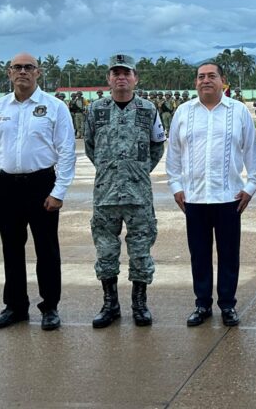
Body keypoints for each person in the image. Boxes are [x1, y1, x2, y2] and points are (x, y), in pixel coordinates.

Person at [0, 53, 76, 331]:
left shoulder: (54, 107)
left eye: (28, 67)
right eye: (17, 67)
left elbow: (67, 151)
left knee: (46, 249)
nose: (23, 72)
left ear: (38, 73)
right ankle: (16, 306)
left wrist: (59, 191)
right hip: (7, 185)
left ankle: (50, 307)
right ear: (9, 73)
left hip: (41, 184)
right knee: (11, 249)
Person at [167, 62, 256, 328]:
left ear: (223, 81)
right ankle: (202, 304)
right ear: (195, 82)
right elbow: (173, 154)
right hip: (194, 199)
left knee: (229, 255)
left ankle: (228, 305)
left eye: (212, 76)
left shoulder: (239, 111)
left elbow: (251, 153)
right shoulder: (183, 112)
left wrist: (251, 186)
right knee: (199, 254)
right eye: (201, 77)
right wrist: (176, 187)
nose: (206, 80)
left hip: (229, 198)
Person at [84, 55, 166, 328]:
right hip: (105, 194)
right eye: (115, 73)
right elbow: (90, 146)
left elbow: (157, 147)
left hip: (139, 194)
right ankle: (110, 304)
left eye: (126, 73)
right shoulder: (95, 110)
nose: (121, 77)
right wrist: (111, 171)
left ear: (135, 78)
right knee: (106, 251)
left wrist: (137, 170)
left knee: (141, 250)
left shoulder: (148, 109)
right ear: (108, 79)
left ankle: (139, 304)